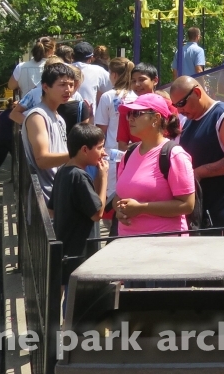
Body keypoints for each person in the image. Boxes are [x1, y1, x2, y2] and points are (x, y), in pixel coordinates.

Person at [170, 76, 224, 230]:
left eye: (181, 103)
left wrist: (199, 172)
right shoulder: (189, 123)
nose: (180, 110)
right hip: (201, 217)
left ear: (196, 92)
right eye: (176, 105)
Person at [113, 93, 195, 235]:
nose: (130, 118)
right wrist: (119, 210)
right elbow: (118, 197)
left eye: (137, 113)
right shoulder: (129, 153)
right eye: (129, 114)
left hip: (165, 247)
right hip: (128, 247)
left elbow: (187, 205)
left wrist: (142, 208)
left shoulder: (174, 155)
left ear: (156, 118)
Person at [51, 123, 107, 283]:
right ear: (84, 149)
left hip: (65, 250)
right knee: (75, 300)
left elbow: (51, 209)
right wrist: (103, 179)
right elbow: (97, 213)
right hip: (79, 253)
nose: (103, 153)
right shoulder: (79, 177)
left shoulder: (63, 170)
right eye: (100, 148)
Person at [21, 62, 74, 203]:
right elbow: (42, 160)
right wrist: (77, 154)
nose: (68, 90)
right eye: (62, 85)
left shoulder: (58, 117)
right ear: (45, 87)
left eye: (71, 84)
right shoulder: (37, 116)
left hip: (60, 191)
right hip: (46, 198)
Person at [94, 58, 134, 200]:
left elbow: (101, 129)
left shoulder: (107, 97)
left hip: (111, 152)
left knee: (111, 195)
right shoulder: (137, 96)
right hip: (133, 151)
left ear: (114, 75)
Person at [116, 62, 159, 149]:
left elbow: (175, 138)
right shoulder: (127, 111)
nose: (137, 84)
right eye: (133, 81)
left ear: (155, 81)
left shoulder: (168, 106)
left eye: (142, 80)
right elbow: (122, 147)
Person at [70, 41, 111, 112]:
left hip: (63, 118)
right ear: (91, 58)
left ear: (72, 56)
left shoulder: (62, 68)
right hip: (88, 119)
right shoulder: (98, 70)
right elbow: (112, 89)